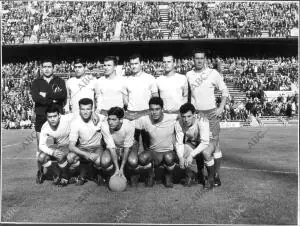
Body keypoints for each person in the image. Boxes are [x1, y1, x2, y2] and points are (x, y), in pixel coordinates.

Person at [186, 50, 229, 187]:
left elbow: (224, 91)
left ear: (205, 59)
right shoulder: (189, 75)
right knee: (199, 143)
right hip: (197, 114)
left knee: (214, 146)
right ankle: (200, 173)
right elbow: (189, 95)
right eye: (196, 58)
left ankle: (215, 176)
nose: (199, 61)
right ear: (193, 59)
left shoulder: (213, 73)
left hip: (211, 114)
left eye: (201, 58)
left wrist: (221, 107)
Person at [68, 98, 120, 185]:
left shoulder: (100, 118)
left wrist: (96, 114)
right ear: (79, 110)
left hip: (97, 147)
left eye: (88, 109)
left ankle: (99, 174)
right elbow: (71, 146)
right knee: (70, 158)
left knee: (100, 161)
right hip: (83, 147)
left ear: (92, 109)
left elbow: (113, 116)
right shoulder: (75, 123)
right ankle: (83, 174)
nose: (85, 112)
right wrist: (86, 154)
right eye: (83, 109)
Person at [31, 59, 67, 183]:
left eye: (49, 67)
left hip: (57, 116)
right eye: (44, 67)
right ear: (41, 68)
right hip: (41, 116)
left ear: (53, 68)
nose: (47, 69)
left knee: (60, 144)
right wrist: (52, 99)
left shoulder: (60, 81)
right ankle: (40, 171)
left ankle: (61, 173)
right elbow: (36, 97)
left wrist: (45, 95)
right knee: (40, 146)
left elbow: (62, 96)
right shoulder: (36, 82)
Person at [135, 97, 178, 188]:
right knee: (142, 158)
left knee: (169, 158)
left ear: (162, 109)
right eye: (151, 109)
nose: (154, 112)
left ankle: (168, 175)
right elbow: (129, 122)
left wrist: (200, 114)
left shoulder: (171, 118)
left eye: (157, 109)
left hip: (168, 152)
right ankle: (151, 174)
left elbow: (186, 114)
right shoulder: (144, 120)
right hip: (154, 152)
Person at [175, 103, 215, 190]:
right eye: (183, 116)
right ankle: (189, 176)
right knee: (180, 152)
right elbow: (179, 143)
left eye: (189, 116)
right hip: (193, 142)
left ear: (194, 114)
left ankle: (211, 178)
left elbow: (204, 142)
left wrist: (191, 155)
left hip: (208, 141)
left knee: (206, 153)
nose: (186, 119)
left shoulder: (202, 120)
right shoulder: (179, 123)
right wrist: (181, 157)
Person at [37, 104, 74, 186]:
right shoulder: (45, 127)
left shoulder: (67, 118)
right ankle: (56, 172)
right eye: (50, 117)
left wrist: (94, 114)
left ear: (59, 115)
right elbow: (41, 145)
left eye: (54, 116)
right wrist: (52, 152)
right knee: (41, 157)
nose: (52, 119)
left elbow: (80, 113)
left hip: (68, 145)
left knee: (60, 155)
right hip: (55, 146)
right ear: (46, 117)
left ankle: (65, 176)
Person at [106, 107, 139, 186]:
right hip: (115, 147)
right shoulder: (105, 126)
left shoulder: (129, 125)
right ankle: (111, 175)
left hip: (129, 146)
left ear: (121, 120)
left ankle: (132, 175)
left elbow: (127, 147)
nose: (110, 122)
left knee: (133, 161)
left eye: (114, 119)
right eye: (109, 119)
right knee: (104, 161)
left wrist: (121, 168)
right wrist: (117, 168)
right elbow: (111, 147)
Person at [123, 54, 158, 121]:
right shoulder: (126, 80)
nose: (133, 66)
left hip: (146, 113)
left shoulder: (150, 78)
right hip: (131, 114)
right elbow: (125, 101)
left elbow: (155, 98)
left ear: (141, 63)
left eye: (136, 63)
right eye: (132, 64)